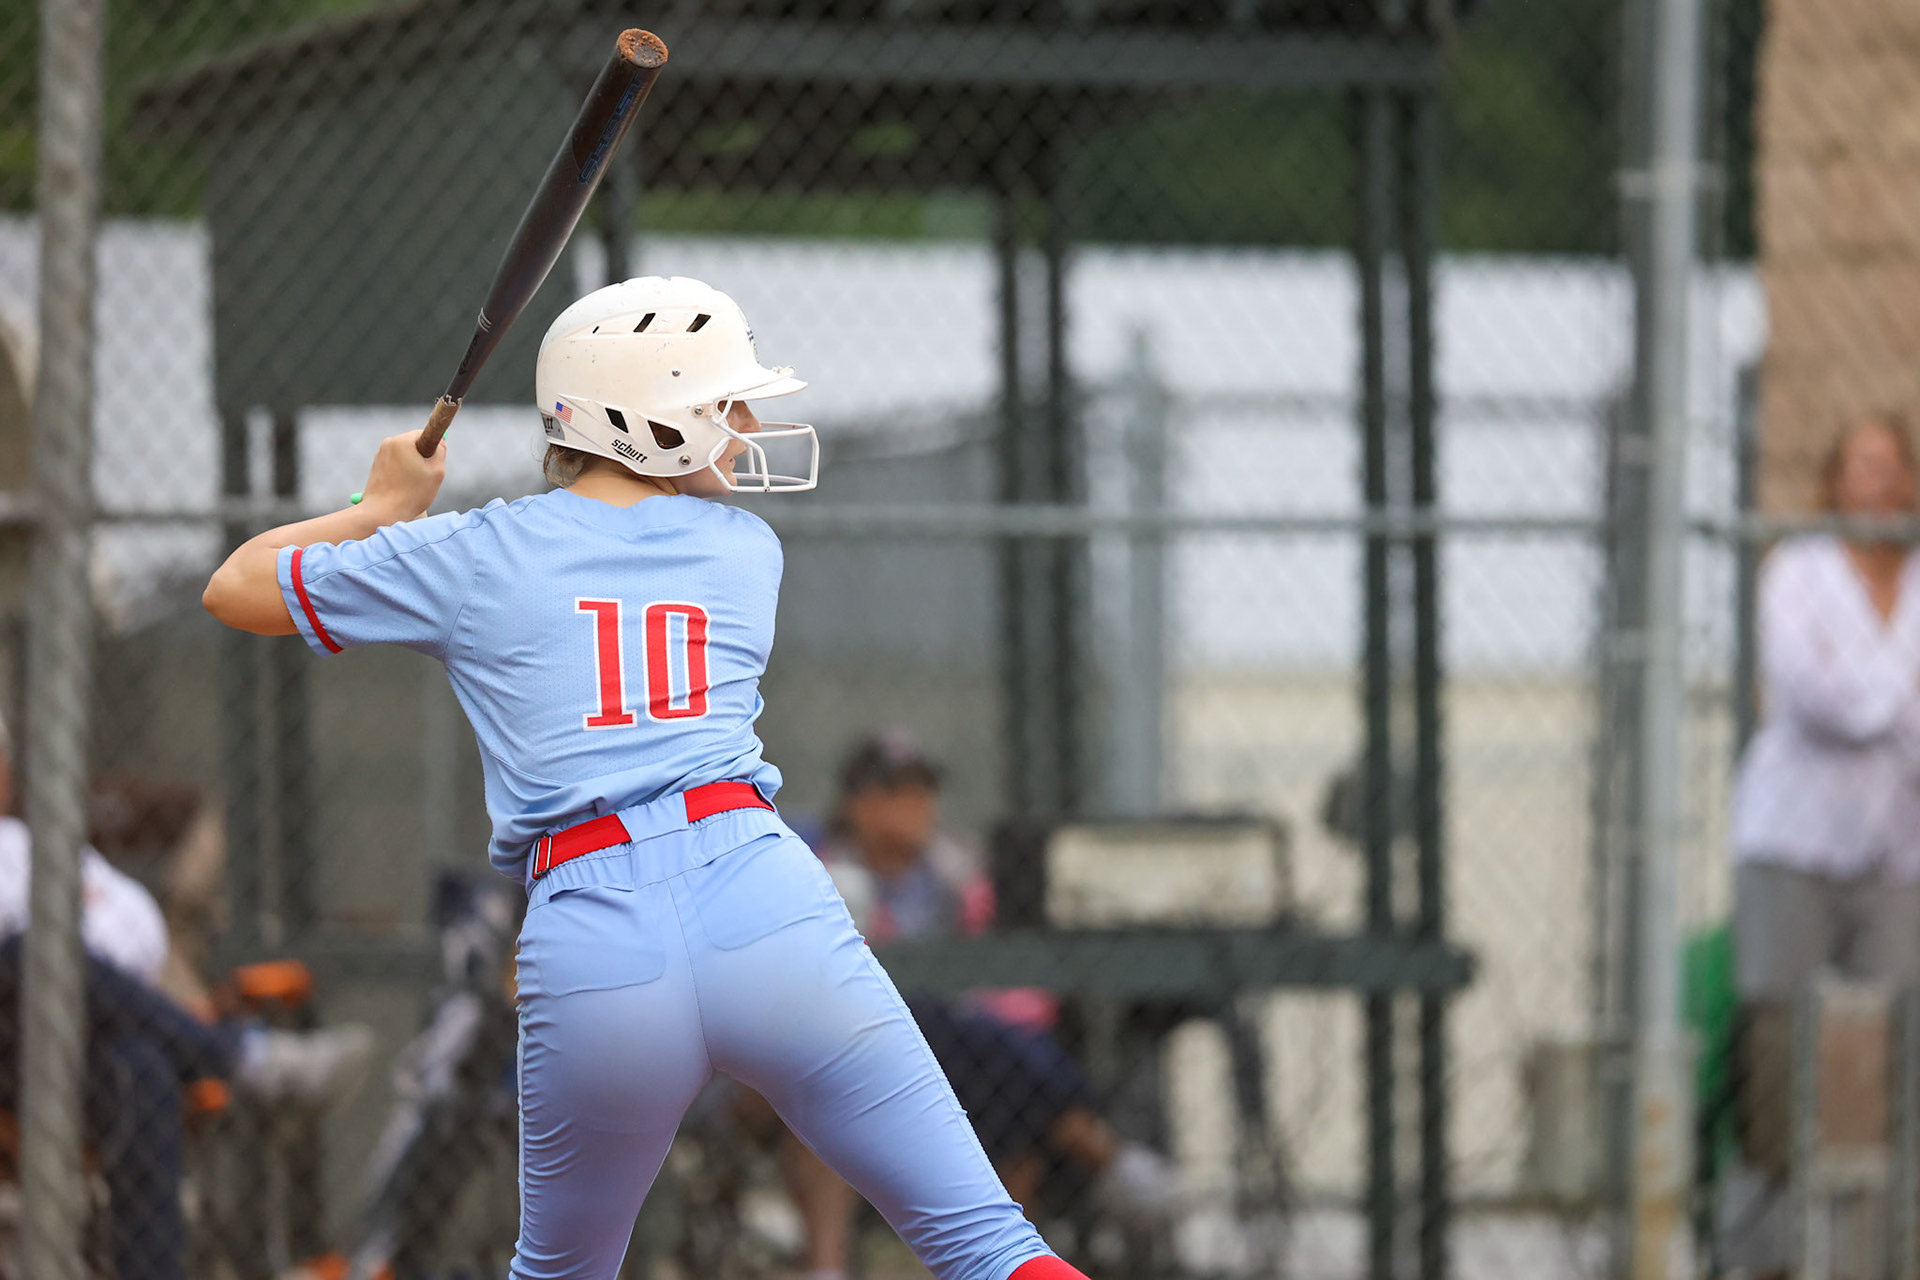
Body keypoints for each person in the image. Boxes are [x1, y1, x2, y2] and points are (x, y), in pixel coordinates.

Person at [201, 275, 1092, 1280]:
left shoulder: (476, 550)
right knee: (989, 1241)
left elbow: (233, 587)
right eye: (723, 403)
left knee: (559, 1270)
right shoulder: (744, 549)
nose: (748, 424)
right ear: (647, 418)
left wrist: (377, 509)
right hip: (766, 901)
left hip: (594, 930)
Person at [770, 731, 1173, 1280]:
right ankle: (1102, 1154)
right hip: (852, 1040)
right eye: (897, 793)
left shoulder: (956, 870)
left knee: (994, 1072)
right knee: (904, 1051)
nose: (917, 808)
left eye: (922, 792)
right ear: (859, 804)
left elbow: (1015, 993)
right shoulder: (813, 865)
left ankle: (1005, 1248)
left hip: (962, 1051)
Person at [0, 726, 370, 1280]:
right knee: (35, 949)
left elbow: (134, 927)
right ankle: (245, 1057)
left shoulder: (31, 843)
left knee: (140, 1066)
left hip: (70, 1048)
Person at [1724, 411, 1920, 1272]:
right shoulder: (1796, 571)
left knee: (1887, 1051)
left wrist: (1870, 694)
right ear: (1833, 483)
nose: (1876, 485)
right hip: (1792, 846)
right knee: (1778, 1048)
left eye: (1891, 467)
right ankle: (1760, 1253)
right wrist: (1899, 701)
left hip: (1896, 854)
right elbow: (1812, 696)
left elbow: (1855, 698)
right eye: (1859, 467)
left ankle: (1872, 1254)